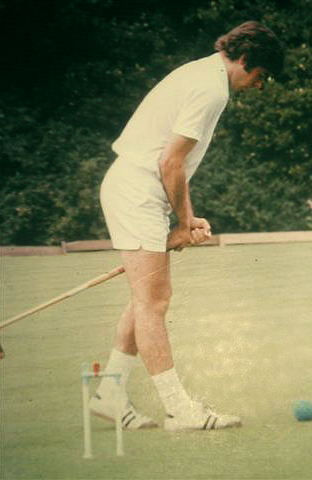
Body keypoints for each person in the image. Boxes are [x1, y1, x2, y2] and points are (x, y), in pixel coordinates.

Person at [91, 21, 284, 431]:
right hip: (137, 191)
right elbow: (170, 162)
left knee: (145, 298)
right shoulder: (212, 89)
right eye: (260, 75)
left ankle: (109, 393)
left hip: (139, 188)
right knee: (154, 302)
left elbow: (175, 164)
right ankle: (179, 410)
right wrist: (180, 225)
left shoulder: (202, 73)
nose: (258, 85)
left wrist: (187, 218)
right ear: (246, 60)